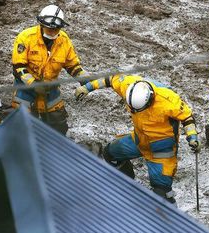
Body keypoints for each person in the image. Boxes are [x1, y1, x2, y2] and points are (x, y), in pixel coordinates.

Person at [74, 74, 198, 203]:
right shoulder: (128, 85)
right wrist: (87, 87)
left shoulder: (169, 101)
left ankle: (170, 218)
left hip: (161, 151)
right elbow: (109, 79)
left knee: (161, 193)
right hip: (139, 140)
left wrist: (192, 137)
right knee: (110, 153)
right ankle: (127, 188)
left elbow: (187, 118)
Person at [11, 4, 85, 135]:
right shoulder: (26, 37)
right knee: (22, 128)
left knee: (58, 127)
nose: (52, 32)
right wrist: (33, 84)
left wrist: (83, 77)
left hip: (50, 90)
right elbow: (18, 67)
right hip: (25, 90)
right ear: (41, 23)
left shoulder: (64, 40)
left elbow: (72, 65)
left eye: (56, 29)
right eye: (49, 28)